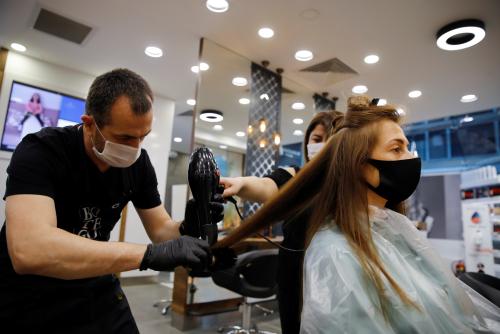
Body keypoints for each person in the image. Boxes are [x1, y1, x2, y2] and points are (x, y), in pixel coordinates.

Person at [216, 96, 500, 333]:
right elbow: (269, 185)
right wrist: (239, 184)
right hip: (306, 276)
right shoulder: (303, 184)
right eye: (397, 148)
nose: (411, 158)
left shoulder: (390, 224)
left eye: (406, 147)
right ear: (355, 161)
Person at [0, 68, 222, 333]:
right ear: (90, 123)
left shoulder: (139, 165)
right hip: (31, 294)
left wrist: (188, 227)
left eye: (143, 136)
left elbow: (161, 229)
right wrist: (148, 255)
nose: (135, 147)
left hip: (94, 282)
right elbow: (30, 250)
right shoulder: (42, 150)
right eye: (125, 137)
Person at [220, 110, 344, 334]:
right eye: (316, 139)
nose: (321, 146)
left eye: (330, 140)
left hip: (337, 277)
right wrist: (240, 184)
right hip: (295, 277)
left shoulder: (348, 189)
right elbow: (266, 185)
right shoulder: (294, 177)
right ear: (307, 142)